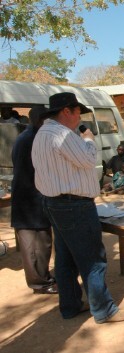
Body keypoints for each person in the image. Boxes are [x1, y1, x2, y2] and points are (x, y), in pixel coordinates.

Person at [32, 92, 124, 323]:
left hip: (55, 203)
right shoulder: (62, 135)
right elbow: (89, 160)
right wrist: (88, 138)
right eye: (77, 111)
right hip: (74, 205)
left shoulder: (42, 133)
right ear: (66, 111)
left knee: (66, 258)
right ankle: (104, 310)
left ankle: (69, 305)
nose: (80, 117)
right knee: (93, 259)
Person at [11, 106, 57, 295]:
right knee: (36, 245)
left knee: (41, 242)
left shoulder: (27, 136)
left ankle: (42, 278)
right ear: (40, 120)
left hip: (29, 198)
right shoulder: (32, 139)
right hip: (30, 200)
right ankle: (40, 283)